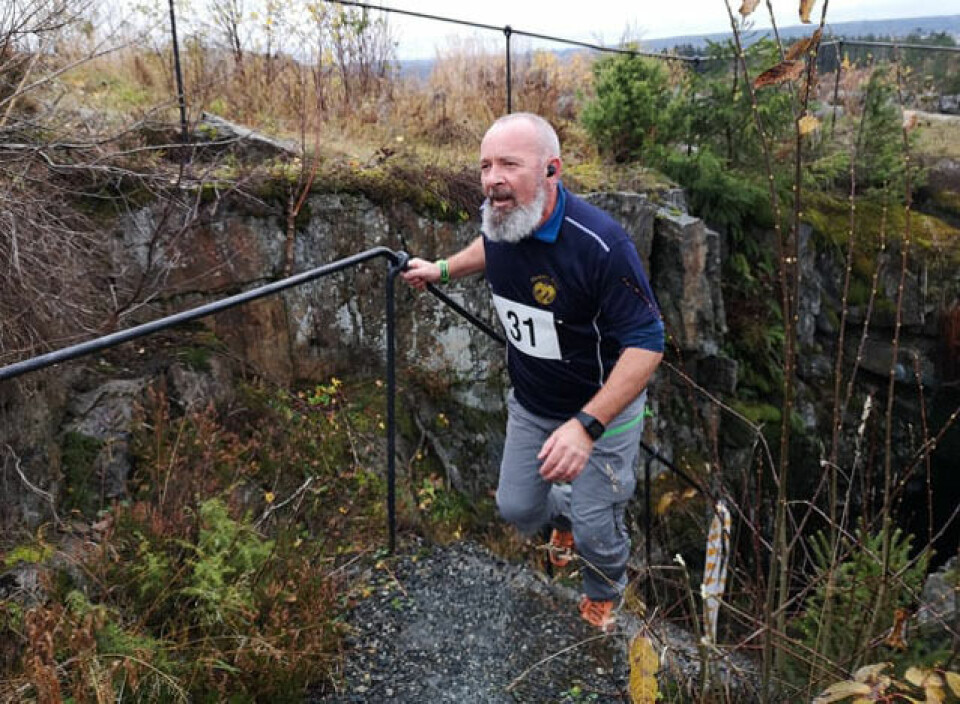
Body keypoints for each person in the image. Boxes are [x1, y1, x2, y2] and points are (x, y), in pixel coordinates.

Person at [402, 112, 664, 632]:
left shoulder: (602, 244)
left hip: (601, 412)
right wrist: (443, 270)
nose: (492, 177)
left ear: (551, 170)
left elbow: (648, 343)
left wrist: (586, 427)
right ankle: (564, 516)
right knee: (518, 508)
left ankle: (603, 593)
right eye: (485, 165)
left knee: (596, 528)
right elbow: (490, 247)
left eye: (508, 164)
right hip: (533, 402)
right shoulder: (504, 216)